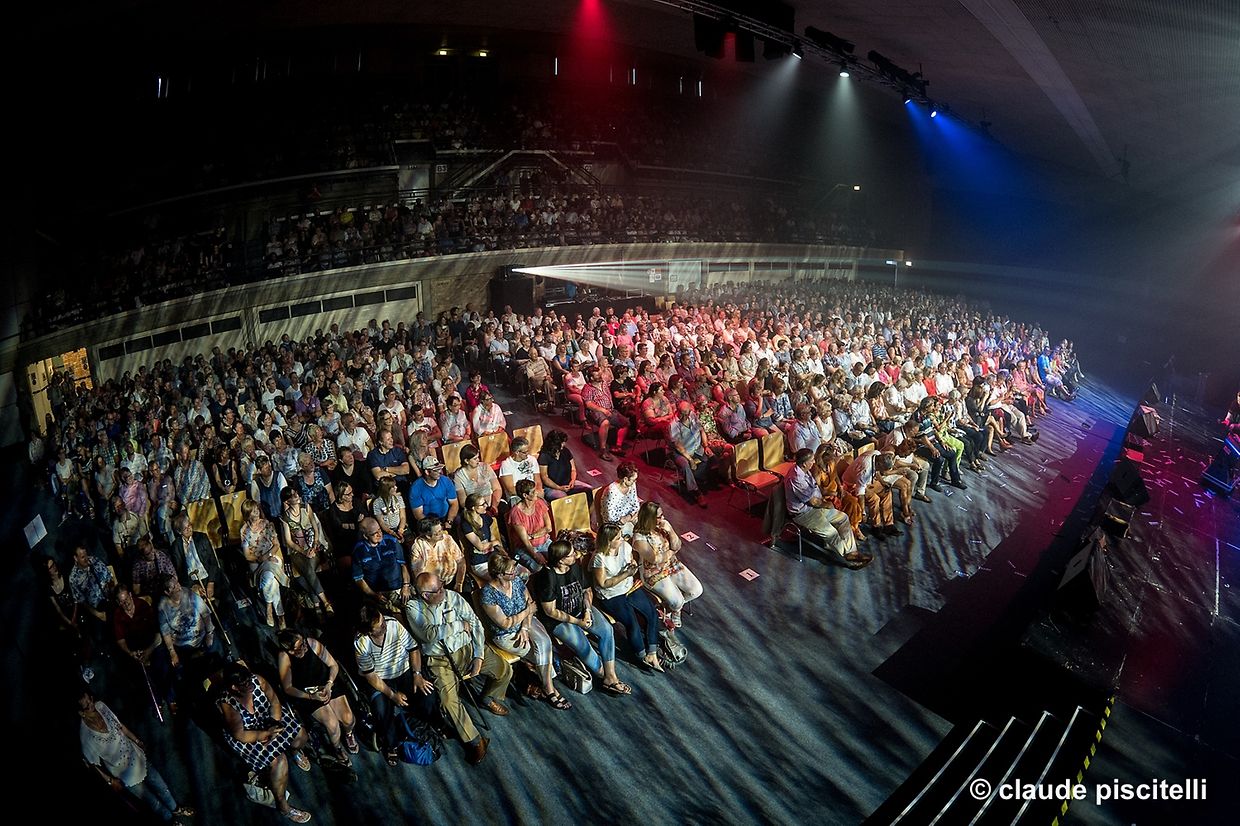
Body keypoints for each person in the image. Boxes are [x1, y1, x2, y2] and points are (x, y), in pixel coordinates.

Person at [405, 572, 512, 765]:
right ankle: (476, 740)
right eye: (437, 590)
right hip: (440, 660)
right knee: (448, 701)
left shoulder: (453, 596)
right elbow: (429, 634)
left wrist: (478, 655)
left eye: (442, 585)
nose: (442, 591)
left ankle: (487, 697)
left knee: (504, 669)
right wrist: (458, 625)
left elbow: (475, 624)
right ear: (425, 595)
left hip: (467, 648)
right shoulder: (414, 607)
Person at [214, 662, 313, 823]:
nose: (251, 684)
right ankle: (283, 806)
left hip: (266, 720)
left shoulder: (257, 680)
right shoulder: (228, 704)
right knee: (279, 761)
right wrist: (265, 734)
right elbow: (240, 735)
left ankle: (295, 752)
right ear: (235, 687)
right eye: (245, 684)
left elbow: (274, 701)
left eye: (249, 679)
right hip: (249, 734)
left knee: (300, 735)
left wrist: (275, 723)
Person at [78, 691, 195, 825]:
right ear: (81, 712)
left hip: (136, 756)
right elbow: (92, 763)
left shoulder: (101, 706)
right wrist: (110, 781)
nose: (92, 705)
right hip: (124, 773)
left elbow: (120, 726)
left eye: (90, 699)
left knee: (161, 785)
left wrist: (137, 741)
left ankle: (176, 809)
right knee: (153, 802)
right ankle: (171, 821)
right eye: (87, 706)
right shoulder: (86, 736)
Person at [533, 540, 632, 696]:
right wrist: (577, 622)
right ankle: (603, 675)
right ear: (560, 560)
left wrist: (586, 610)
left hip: (580, 609)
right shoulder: (547, 578)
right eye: (571, 554)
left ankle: (611, 676)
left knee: (606, 630)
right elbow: (551, 611)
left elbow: (587, 591)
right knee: (583, 645)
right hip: (560, 619)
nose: (576, 556)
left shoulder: (575, 568)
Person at [353, 605, 436, 767]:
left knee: (428, 695)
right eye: (380, 626)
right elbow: (370, 675)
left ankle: (426, 723)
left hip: (403, 669)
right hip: (381, 678)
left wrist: (417, 674)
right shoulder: (361, 643)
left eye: (383, 621)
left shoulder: (393, 624)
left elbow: (413, 649)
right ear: (369, 631)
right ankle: (392, 744)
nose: (384, 625)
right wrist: (392, 695)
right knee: (381, 710)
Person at [479, 554, 564, 709]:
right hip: (506, 634)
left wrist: (525, 626)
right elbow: (505, 623)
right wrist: (526, 612)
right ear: (499, 574)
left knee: (544, 643)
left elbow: (530, 603)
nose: (515, 573)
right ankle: (550, 687)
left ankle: (548, 687)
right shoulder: (488, 594)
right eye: (511, 571)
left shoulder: (516, 581)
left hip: (526, 623)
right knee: (540, 653)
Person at [277, 630, 358, 767]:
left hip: (326, 684)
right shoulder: (284, 657)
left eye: (303, 643)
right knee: (332, 724)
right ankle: (337, 748)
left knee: (348, 718)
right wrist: (311, 696)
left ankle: (349, 734)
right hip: (307, 694)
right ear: (290, 651)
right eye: (300, 647)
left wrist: (329, 684)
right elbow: (288, 688)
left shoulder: (312, 644)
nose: (304, 647)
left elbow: (333, 665)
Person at [591, 522, 663, 672]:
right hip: (611, 594)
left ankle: (652, 652)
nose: (622, 540)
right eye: (617, 538)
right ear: (608, 542)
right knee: (632, 622)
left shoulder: (624, 547)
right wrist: (625, 574)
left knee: (651, 613)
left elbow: (631, 560)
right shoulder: (599, 558)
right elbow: (603, 583)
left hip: (628, 587)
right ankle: (641, 654)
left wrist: (633, 564)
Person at [784, 448, 872, 569]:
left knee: (843, 518)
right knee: (832, 533)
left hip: (815, 508)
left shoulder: (804, 470)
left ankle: (852, 552)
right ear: (804, 463)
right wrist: (826, 504)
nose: (814, 462)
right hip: (804, 513)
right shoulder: (796, 478)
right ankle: (848, 556)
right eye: (811, 460)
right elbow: (813, 501)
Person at [630, 502, 703, 629]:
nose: (663, 518)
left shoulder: (662, 526)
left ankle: (667, 608)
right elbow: (655, 559)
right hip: (654, 573)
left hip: (671, 565)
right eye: (659, 516)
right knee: (678, 601)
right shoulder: (639, 537)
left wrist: (671, 531)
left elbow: (677, 545)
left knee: (696, 590)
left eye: (662, 515)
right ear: (649, 518)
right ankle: (675, 609)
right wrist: (671, 552)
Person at [278, 487, 335, 617]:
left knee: (308, 571)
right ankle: (324, 602)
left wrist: (314, 544)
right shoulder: (285, 518)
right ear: (287, 501)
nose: (296, 495)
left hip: (313, 546)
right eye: (292, 495)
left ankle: (317, 604)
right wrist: (304, 552)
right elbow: (289, 541)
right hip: (298, 552)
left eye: (295, 493)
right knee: (307, 570)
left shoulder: (306, 508)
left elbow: (315, 528)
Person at [168, 512, 229, 604]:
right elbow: (180, 570)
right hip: (192, 581)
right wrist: (193, 586)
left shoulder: (202, 537)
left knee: (225, 597)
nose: (189, 529)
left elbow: (213, 561)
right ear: (179, 532)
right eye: (185, 529)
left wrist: (211, 583)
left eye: (189, 525)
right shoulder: (176, 546)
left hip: (209, 576)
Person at [351, 516, 411, 611]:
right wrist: (374, 595)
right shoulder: (359, 551)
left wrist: (406, 586)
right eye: (374, 533)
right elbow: (359, 579)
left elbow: (403, 564)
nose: (379, 534)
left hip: (399, 587)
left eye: (379, 530)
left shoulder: (392, 541)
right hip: (378, 592)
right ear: (365, 536)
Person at [841, 449, 901, 538]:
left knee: (886, 492)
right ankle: (876, 526)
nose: (884, 472)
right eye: (883, 469)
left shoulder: (877, 454)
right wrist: (863, 512)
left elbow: (876, 471)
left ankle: (889, 524)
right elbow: (860, 493)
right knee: (874, 499)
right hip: (852, 485)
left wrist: (882, 482)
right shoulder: (865, 469)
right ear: (879, 464)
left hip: (866, 482)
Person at [668, 401, 714, 506]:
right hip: (681, 452)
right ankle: (696, 491)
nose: (685, 415)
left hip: (696, 447)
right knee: (685, 465)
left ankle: (696, 478)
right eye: (682, 413)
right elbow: (678, 446)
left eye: (686, 413)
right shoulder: (673, 425)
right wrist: (690, 459)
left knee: (712, 458)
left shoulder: (693, 416)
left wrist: (706, 446)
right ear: (677, 411)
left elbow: (701, 430)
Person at [581, 367, 628, 461]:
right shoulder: (588, 388)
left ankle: (617, 447)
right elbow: (588, 404)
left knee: (625, 422)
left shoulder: (604, 384)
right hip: (595, 411)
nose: (600, 376)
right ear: (591, 378)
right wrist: (602, 410)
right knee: (605, 423)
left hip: (610, 409)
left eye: (600, 374)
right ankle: (603, 450)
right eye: (597, 375)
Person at [506, 478, 552, 571]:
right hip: (524, 548)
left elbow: (548, 528)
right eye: (533, 491)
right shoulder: (516, 513)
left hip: (544, 542)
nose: (537, 493)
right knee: (539, 568)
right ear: (525, 495)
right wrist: (535, 556)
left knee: (558, 558)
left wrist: (531, 536)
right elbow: (525, 542)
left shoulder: (540, 503)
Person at [409, 517, 466, 592]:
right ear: (428, 536)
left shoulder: (447, 539)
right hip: (432, 586)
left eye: (441, 530)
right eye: (438, 532)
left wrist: (459, 582)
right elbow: (418, 574)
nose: (442, 533)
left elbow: (460, 561)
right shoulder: (418, 547)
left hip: (452, 579)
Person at [537, 429, 592, 501]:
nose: (564, 444)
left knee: (590, 490)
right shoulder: (544, 456)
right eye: (562, 442)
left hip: (568, 483)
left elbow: (573, 469)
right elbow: (545, 478)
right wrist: (559, 488)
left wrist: (572, 480)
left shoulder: (566, 451)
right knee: (564, 499)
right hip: (552, 487)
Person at [453, 444, 502, 511]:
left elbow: (497, 489)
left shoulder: (485, 467)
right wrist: (480, 509)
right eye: (475, 459)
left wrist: (494, 506)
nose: (478, 460)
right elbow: (463, 502)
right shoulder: (458, 476)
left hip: (492, 503)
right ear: (466, 461)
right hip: (475, 509)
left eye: (478, 457)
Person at [598, 462, 642, 536]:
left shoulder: (632, 485)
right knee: (636, 534)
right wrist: (627, 519)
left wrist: (630, 516)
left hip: (630, 517)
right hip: (614, 525)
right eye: (633, 480)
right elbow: (611, 518)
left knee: (645, 525)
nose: (635, 482)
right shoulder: (611, 492)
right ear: (625, 479)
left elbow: (636, 504)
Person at [498, 437, 542, 503]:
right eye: (525, 452)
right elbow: (511, 489)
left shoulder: (532, 460)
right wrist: (529, 496)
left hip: (533, 493)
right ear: (517, 452)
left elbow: (538, 481)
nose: (528, 453)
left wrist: (538, 491)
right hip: (517, 496)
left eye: (528, 450)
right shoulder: (506, 464)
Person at [372, 476, 408, 545]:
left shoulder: (399, 498)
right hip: (388, 531)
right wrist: (392, 533)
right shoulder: (377, 503)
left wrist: (400, 530)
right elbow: (381, 522)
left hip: (400, 527)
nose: (396, 488)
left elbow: (403, 517)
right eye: (393, 487)